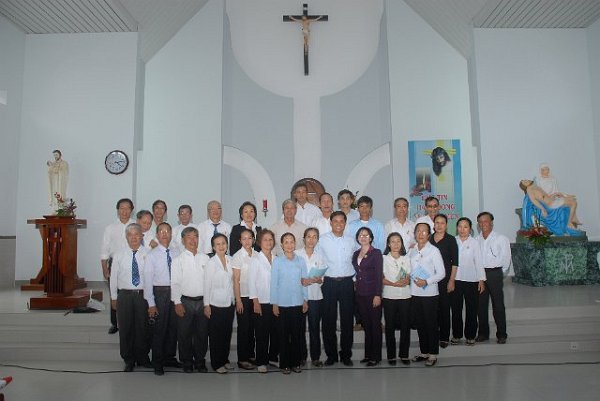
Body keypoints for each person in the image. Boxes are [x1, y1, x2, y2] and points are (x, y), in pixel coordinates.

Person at [315, 211, 355, 366]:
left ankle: (346, 354)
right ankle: (331, 355)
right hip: (329, 283)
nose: (338, 224)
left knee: (347, 321)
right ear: (330, 223)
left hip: (347, 283)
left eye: (341, 221)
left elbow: (356, 261)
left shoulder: (351, 241)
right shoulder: (322, 240)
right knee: (328, 320)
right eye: (335, 221)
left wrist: (355, 280)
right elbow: (318, 260)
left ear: (345, 223)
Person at [110, 223, 150, 372]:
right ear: (126, 237)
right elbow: (113, 277)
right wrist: (114, 297)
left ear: (141, 236)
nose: (134, 238)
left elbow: (151, 277)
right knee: (125, 328)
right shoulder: (119, 254)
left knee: (142, 328)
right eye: (130, 235)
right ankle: (128, 359)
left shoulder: (148, 254)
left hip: (143, 295)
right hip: (125, 296)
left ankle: (142, 357)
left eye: (136, 234)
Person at [143, 222, 181, 375]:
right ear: (157, 235)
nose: (165, 234)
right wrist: (151, 303)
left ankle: (169, 358)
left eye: (167, 231)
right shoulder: (151, 255)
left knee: (173, 328)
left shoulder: (177, 252)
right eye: (161, 231)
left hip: (175, 293)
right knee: (160, 329)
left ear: (171, 234)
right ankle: (157, 361)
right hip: (160, 293)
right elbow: (147, 281)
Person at [170, 226, 210, 373]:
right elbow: (175, 283)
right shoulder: (177, 260)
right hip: (185, 301)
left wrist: (208, 303)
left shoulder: (206, 258)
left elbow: (209, 282)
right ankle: (186, 361)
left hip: (203, 301)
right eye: (189, 237)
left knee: (202, 333)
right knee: (184, 334)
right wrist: (177, 302)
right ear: (183, 240)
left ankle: (200, 361)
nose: (193, 240)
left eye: (195, 237)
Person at [408, 222, 446, 367]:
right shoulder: (412, 250)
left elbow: (442, 273)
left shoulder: (434, 251)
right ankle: (424, 352)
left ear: (429, 235)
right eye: (418, 231)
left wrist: (427, 281)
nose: (421, 234)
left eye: (424, 231)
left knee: (431, 324)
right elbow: (407, 268)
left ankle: (433, 354)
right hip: (414, 293)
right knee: (420, 324)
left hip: (429, 293)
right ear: (415, 234)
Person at [271, 233, 309, 374]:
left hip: (298, 302)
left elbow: (304, 281)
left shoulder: (301, 261)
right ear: (282, 245)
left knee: (297, 335)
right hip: (282, 303)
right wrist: (274, 303)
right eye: (286, 242)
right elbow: (274, 283)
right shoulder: (277, 261)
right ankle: (285, 364)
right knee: (283, 335)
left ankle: (296, 363)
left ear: (295, 243)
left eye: (291, 241)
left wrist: (305, 299)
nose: (289, 245)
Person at [101, 198, 136, 334]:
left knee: (131, 294)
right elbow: (104, 250)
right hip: (114, 263)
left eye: (127, 208)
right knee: (114, 294)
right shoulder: (110, 228)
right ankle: (115, 323)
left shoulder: (136, 225)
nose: (124, 211)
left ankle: (130, 322)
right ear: (118, 210)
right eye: (122, 208)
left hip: (133, 263)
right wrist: (105, 269)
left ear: (131, 210)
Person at [476, 212, 511, 344]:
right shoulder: (476, 240)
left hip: (494, 273)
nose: (483, 224)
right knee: (481, 306)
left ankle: (501, 334)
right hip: (480, 275)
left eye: (485, 221)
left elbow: (506, 258)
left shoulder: (501, 238)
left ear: (491, 222)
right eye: (480, 222)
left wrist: (499, 273)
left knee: (498, 305)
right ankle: (483, 334)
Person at [204, 234, 235, 374]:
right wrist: (206, 305)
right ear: (213, 247)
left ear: (227, 245)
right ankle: (217, 363)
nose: (221, 246)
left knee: (226, 333)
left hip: (229, 302)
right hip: (215, 303)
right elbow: (206, 285)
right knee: (216, 335)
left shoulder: (231, 260)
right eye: (218, 244)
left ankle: (224, 360)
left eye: (223, 243)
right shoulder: (211, 263)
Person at [248, 229, 279, 373]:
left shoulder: (277, 259)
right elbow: (251, 282)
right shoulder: (255, 259)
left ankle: (273, 357)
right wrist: (255, 302)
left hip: (276, 302)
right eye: (265, 239)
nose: (268, 242)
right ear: (259, 242)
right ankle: (261, 361)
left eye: (270, 239)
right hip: (261, 302)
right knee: (261, 333)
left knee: (275, 331)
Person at [451, 217, 485, 346]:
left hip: (472, 280)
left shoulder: (474, 243)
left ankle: (470, 335)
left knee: (472, 309)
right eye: (460, 226)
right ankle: (457, 335)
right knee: (456, 309)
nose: (462, 229)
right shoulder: (453, 241)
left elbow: (479, 262)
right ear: (457, 228)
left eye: (465, 227)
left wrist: (481, 280)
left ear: (470, 229)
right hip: (456, 280)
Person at [352, 227, 383, 367]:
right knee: (366, 325)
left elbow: (378, 275)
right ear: (357, 238)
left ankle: (376, 356)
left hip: (372, 293)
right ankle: (368, 355)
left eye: (366, 235)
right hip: (360, 294)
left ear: (370, 238)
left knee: (375, 325)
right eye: (361, 235)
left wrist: (378, 294)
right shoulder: (355, 254)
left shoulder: (376, 253)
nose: (363, 237)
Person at [296, 227, 326, 367]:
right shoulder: (296, 254)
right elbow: (292, 275)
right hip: (299, 297)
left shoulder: (320, 256)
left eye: (314, 237)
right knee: (299, 328)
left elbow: (322, 278)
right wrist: (302, 281)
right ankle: (301, 356)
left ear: (317, 240)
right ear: (304, 239)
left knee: (314, 328)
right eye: (309, 236)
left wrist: (319, 279)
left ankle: (315, 357)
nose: (311, 239)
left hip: (315, 296)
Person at [382, 232, 412, 365]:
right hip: (389, 295)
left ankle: (404, 355)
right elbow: (380, 278)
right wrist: (394, 284)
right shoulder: (383, 259)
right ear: (388, 244)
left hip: (405, 295)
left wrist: (406, 280)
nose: (396, 244)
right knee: (390, 327)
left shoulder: (406, 258)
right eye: (393, 241)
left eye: (398, 241)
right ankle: (391, 356)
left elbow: (408, 276)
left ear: (402, 244)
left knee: (405, 326)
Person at [429, 214, 458, 349]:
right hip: (431, 280)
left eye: (442, 223)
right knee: (433, 309)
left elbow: (455, 262)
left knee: (445, 308)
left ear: (446, 225)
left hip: (445, 279)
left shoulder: (450, 240)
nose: (439, 225)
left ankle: (444, 337)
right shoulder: (429, 239)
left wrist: (452, 280)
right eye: (437, 222)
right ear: (433, 224)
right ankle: (434, 334)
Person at [231, 228, 258, 370]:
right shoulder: (237, 256)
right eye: (244, 238)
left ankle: (251, 355)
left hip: (255, 297)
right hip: (243, 297)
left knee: (253, 328)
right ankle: (242, 359)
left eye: (249, 238)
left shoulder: (257, 255)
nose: (247, 241)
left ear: (254, 239)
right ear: (240, 241)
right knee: (244, 329)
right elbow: (236, 280)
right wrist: (238, 300)